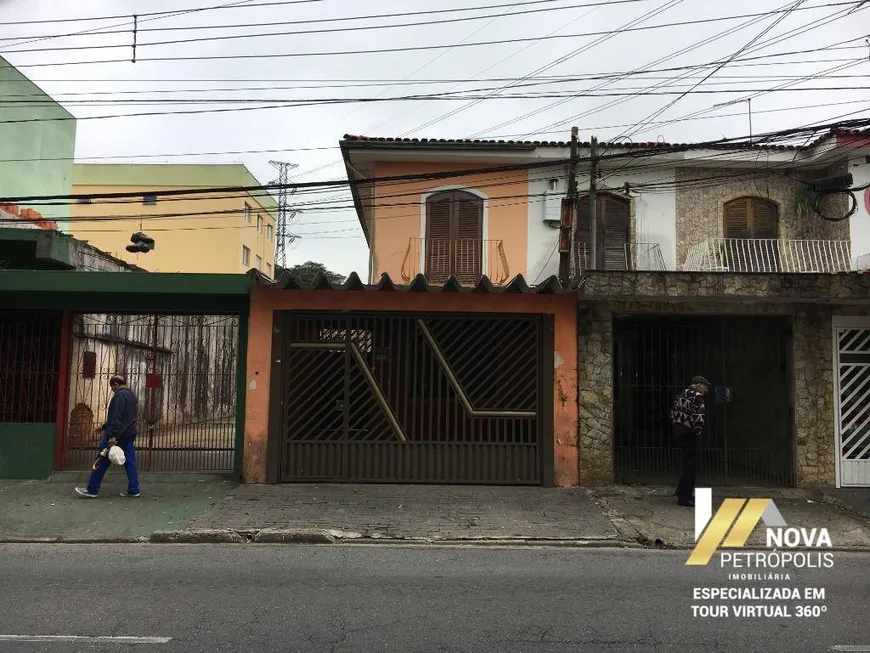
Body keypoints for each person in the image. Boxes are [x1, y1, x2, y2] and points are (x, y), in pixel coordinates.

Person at [76, 375, 140, 498]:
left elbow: (116, 417)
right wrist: (104, 426)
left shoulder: (119, 396)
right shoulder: (131, 396)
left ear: (116, 384)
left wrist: (112, 435)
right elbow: (126, 417)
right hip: (128, 433)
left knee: (101, 460)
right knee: (130, 462)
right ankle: (134, 489)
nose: (112, 390)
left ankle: (92, 489)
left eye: (112, 387)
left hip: (116, 435)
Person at [669, 376, 711, 508]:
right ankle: (685, 498)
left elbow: (672, 414)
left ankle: (682, 491)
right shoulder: (697, 397)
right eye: (705, 386)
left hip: (679, 434)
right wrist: (697, 432)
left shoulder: (681, 395)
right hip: (690, 435)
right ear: (698, 385)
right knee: (692, 467)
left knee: (687, 463)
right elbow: (699, 418)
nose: (706, 389)